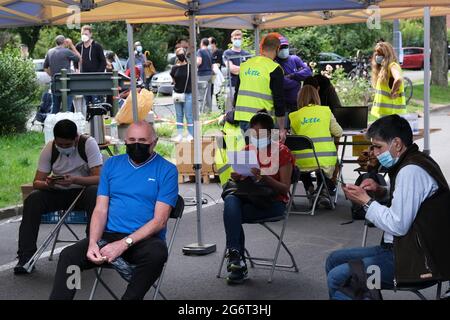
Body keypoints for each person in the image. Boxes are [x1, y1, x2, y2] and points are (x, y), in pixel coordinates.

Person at [49, 121, 179, 300]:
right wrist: (93, 242)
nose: (136, 144)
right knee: (69, 257)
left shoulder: (167, 170)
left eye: (142, 140)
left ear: (154, 142)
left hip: (144, 239)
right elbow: (100, 209)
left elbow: (160, 221)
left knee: (156, 255)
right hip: (109, 236)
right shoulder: (112, 165)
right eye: (131, 140)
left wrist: (123, 244)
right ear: (125, 142)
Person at [326, 114, 450, 300]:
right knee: (334, 260)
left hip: (416, 261)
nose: (374, 152)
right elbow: (409, 199)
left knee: (340, 276)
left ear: (397, 144)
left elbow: (397, 225)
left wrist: (367, 201)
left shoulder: (411, 171)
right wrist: (381, 191)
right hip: (399, 249)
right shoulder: (412, 163)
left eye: (378, 146)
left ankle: (363, 291)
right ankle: (365, 293)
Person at [14, 119, 102, 274]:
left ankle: (92, 247)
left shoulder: (88, 144)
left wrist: (75, 180)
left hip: (83, 191)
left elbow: (99, 177)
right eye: (59, 144)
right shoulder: (50, 149)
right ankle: (25, 258)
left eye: (67, 145)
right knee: (33, 199)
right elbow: (37, 182)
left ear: (75, 138)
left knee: (95, 192)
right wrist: (48, 184)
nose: (63, 148)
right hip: (58, 191)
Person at [222, 111, 294, 284]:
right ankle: (235, 257)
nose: (254, 137)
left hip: (273, 202)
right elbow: (239, 182)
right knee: (231, 201)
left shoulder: (282, 152)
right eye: (252, 134)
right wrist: (237, 176)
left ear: (269, 133)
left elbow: (284, 189)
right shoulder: (247, 150)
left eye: (258, 134)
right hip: (249, 196)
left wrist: (265, 177)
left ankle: (237, 262)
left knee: (233, 214)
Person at [289, 85, 342, 208]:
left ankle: (310, 190)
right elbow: (338, 132)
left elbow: (295, 139)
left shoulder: (294, 116)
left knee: (303, 165)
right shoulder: (325, 111)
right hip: (324, 158)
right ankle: (322, 191)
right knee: (328, 164)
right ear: (317, 97)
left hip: (302, 160)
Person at [233, 32, 287, 142]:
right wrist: (282, 128)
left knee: (251, 155)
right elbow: (279, 99)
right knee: (263, 156)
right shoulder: (274, 69)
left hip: (243, 117)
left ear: (261, 47)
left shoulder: (245, 65)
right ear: (277, 49)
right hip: (262, 121)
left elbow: (237, 91)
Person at [275, 35, 312, 125]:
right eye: (281, 47)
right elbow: (283, 83)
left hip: (297, 103)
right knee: (283, 129)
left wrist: (292, 75)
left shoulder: (294, 59)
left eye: (285, 47)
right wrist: (298, 80)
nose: (283, 49)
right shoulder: (275, 62)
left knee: (296, 128)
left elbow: (308, 72)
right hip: (282, 105)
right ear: (277, 49)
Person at [44, 35, 81, 113]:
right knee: (67, 108)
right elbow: (79, 58)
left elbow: (45, 68)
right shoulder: (67, 51)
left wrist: (53, 76)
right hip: (66, 84)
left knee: (55, 106)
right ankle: (66, 123)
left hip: (54, 83)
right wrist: (71, 45)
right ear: (64, 42)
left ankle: (52, 123)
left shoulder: (50, 51)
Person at [371, 41, 406, 118]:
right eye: (377, 54)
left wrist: (392, 92)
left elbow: (398, 79)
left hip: (392, 112)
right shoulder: (384, 69)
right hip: (386, 113)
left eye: (381, 54)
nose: (377, 56)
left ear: (387, 55)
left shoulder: (392, 65)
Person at [75, 25, 107, 107]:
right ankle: (88, 118)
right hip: (84, 78)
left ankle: (97, 119)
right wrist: (76, 69)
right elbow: (75, 58)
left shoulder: (97, 46)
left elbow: (103, 61)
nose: (84, 36)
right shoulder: (78, 46)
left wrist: (99, 74)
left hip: (95, 78)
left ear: (90, 34)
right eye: (82, 34)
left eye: (86, 34)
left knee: (96, 101)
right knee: (87, 101)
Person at [223, 30, 251, 111]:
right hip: (231, 85)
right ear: (231, 39)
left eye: (239, 38)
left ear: (242, 40)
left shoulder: (246, 54)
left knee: (243, 109)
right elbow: (232, 69)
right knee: (230, 110)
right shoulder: (227, 53)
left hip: (244, 85)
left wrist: (239, 69)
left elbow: (250, 70)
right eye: (235, 38)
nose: (237, 40)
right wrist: (244, 69)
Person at [170, 47, 193, 142]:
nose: (180, 55)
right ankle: (179, 135)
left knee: (189, 115)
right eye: (178, 54)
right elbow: (173, 80)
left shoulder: (190, 67)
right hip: (177, 94)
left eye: (182, 53)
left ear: (185, 54)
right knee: (179, 115)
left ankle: (191, 134)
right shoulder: (174, 68)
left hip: (188, 94)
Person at [197, 38, 213, 113]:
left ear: (202, 43)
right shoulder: (209, 52)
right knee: (208, 94)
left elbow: (199, 62)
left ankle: (202, 111)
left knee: (201, 94)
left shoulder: (200, 51)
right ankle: (209, 111)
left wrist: (194, 65)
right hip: (209, 74)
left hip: (202, 74)